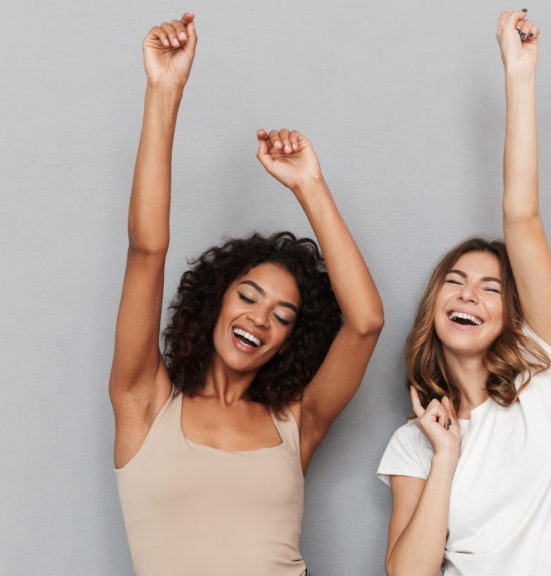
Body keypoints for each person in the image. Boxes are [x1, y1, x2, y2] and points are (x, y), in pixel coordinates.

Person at [110, 13, 383, 576]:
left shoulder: (295, 422)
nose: (259, 319)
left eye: (282, 316)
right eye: (249, 296)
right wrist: (165, 91)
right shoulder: (145, 402)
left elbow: (366, 323)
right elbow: (146, 250)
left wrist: (309, 184)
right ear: (216, 301)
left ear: (289, 341)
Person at [377, 11, 551, 576]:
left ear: (513, 315)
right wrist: (446, 454)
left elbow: (522, 217)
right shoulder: (416, 442)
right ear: (434, 306)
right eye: (455, 282)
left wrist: (519, 73)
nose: (468, 296)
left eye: (490, 289)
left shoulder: (546, 369)